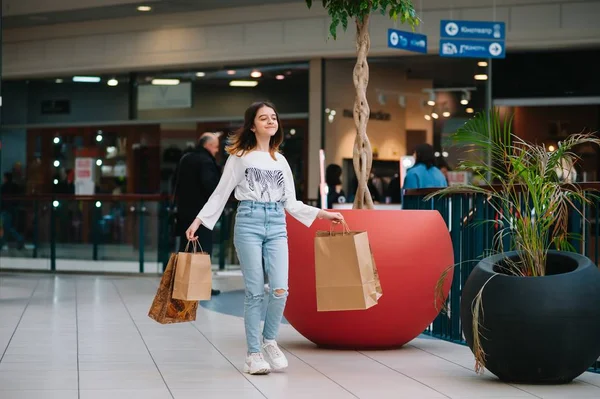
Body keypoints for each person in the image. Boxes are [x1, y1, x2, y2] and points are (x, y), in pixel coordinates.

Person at [186, 101, 344, 375]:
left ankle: (269, 340)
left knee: (281, 289)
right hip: (248, 221)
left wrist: (322, 214)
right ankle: (253, 354)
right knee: (255, 292)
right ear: (252, 125)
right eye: (264, 118)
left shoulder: (280, 160)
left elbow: (291, 203)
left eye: (274, 117)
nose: (271, 121)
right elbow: (221, 193)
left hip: (277, 224)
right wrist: (200, 221)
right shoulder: (240, 156)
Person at [174, 132, 223, 296]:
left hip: (184, 211)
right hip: (201, 214)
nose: (216, 151)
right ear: (208, 145)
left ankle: (182, 284)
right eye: (215, 147)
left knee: (185, 248)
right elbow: (210, 186)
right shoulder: (205, 161)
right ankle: (201, 286)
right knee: (203, 249)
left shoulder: (185, 158)